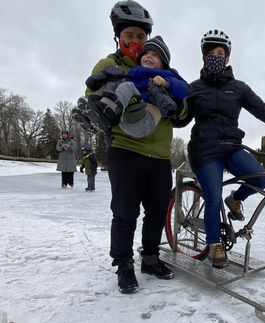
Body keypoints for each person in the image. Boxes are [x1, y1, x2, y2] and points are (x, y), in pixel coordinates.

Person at [184, 29, 265, 269]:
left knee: (260, 179)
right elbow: (180, 117)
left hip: (232, 147)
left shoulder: (239, 88)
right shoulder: (193, 88)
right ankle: (214, 245)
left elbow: (264, 111)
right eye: (211, 53)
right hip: (204, 149)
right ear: (204, 58)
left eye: (220, 53)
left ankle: (234, 198)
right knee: (212, 198)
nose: (215, 56)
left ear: (227, 58)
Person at [79, 0, 184, 294]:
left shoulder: (162, 70)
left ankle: (150, 258)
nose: (136, 43)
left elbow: (182, 111)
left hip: (160, 154)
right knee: (125, 213)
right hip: (126, 150)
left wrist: (175, 101)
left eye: (141, 37)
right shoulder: (108, 65)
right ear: (119, 36)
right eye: (130, 36)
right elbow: (95, 97)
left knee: (156, 212)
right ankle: (123, 264)